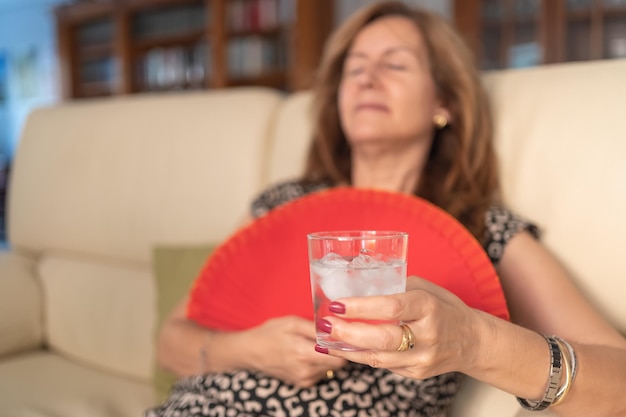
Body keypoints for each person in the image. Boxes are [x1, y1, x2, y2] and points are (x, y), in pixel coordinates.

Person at [147, 2, 626, 417]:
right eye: (353, 69)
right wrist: (249, 349)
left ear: (445, 102)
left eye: (394, 65)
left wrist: (475, 342)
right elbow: (170, 342)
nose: (367, 79)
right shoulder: (283, 202)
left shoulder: (481, 230)